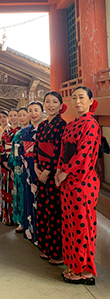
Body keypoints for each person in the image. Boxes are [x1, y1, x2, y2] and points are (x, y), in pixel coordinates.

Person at [56, 87, 100, 285]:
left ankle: (85, 271)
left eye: (82, 97)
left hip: (82, 182)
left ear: (91, 101)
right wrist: (58, 171)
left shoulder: (91, 124)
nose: (77, 101)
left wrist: (65, 172)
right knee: (70, 225)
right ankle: (74, 264)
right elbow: (63, 150)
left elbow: (83, 153)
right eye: (74, 98)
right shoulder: (72, 123)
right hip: (66, 181)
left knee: (82, 226)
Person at [33, 91, 66, 265]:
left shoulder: (62, 125)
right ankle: (46, 248)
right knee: (43, 210)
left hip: (53, 174)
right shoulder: (43, 125)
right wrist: (37, 167)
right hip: (41, 171)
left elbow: (60, 150)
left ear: (60, 106)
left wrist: (47, 171)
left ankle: (57, 252)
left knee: (54, 212)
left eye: (54, 102)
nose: (50, 105)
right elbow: (37, 147)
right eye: (47, 102)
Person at [21, 101, 44, 244]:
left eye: (36, 110)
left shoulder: (45, 128)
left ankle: (41, 235)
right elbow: (21, 150)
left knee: (40, 200)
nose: (33, 113)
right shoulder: (25, 131)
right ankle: (31, 232)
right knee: (28, 198)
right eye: (30, 110)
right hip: (27, 167)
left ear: (42, 112)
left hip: (42, 167)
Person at [9, 107, 30, 233]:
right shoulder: (17, 134)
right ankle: (21, 221)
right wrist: (12, 168)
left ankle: (29, 221)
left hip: (29, 166)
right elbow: (13, 152)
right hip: (17, 167)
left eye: (24, 115)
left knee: (27, 193)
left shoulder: (33, 131)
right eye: (19, 115)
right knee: (18, 193)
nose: (22, 118)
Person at [0, 109, 20, 225]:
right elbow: (0, 148)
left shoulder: (21, 132)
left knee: (16, 191)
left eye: (15, 115)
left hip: (17, 165)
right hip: (5, 165)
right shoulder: (6, 133)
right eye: (11, 116)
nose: (13, 117)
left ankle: (17, 219)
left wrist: (12, 163)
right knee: (6, 191)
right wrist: (5, 162)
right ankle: (7, 216)